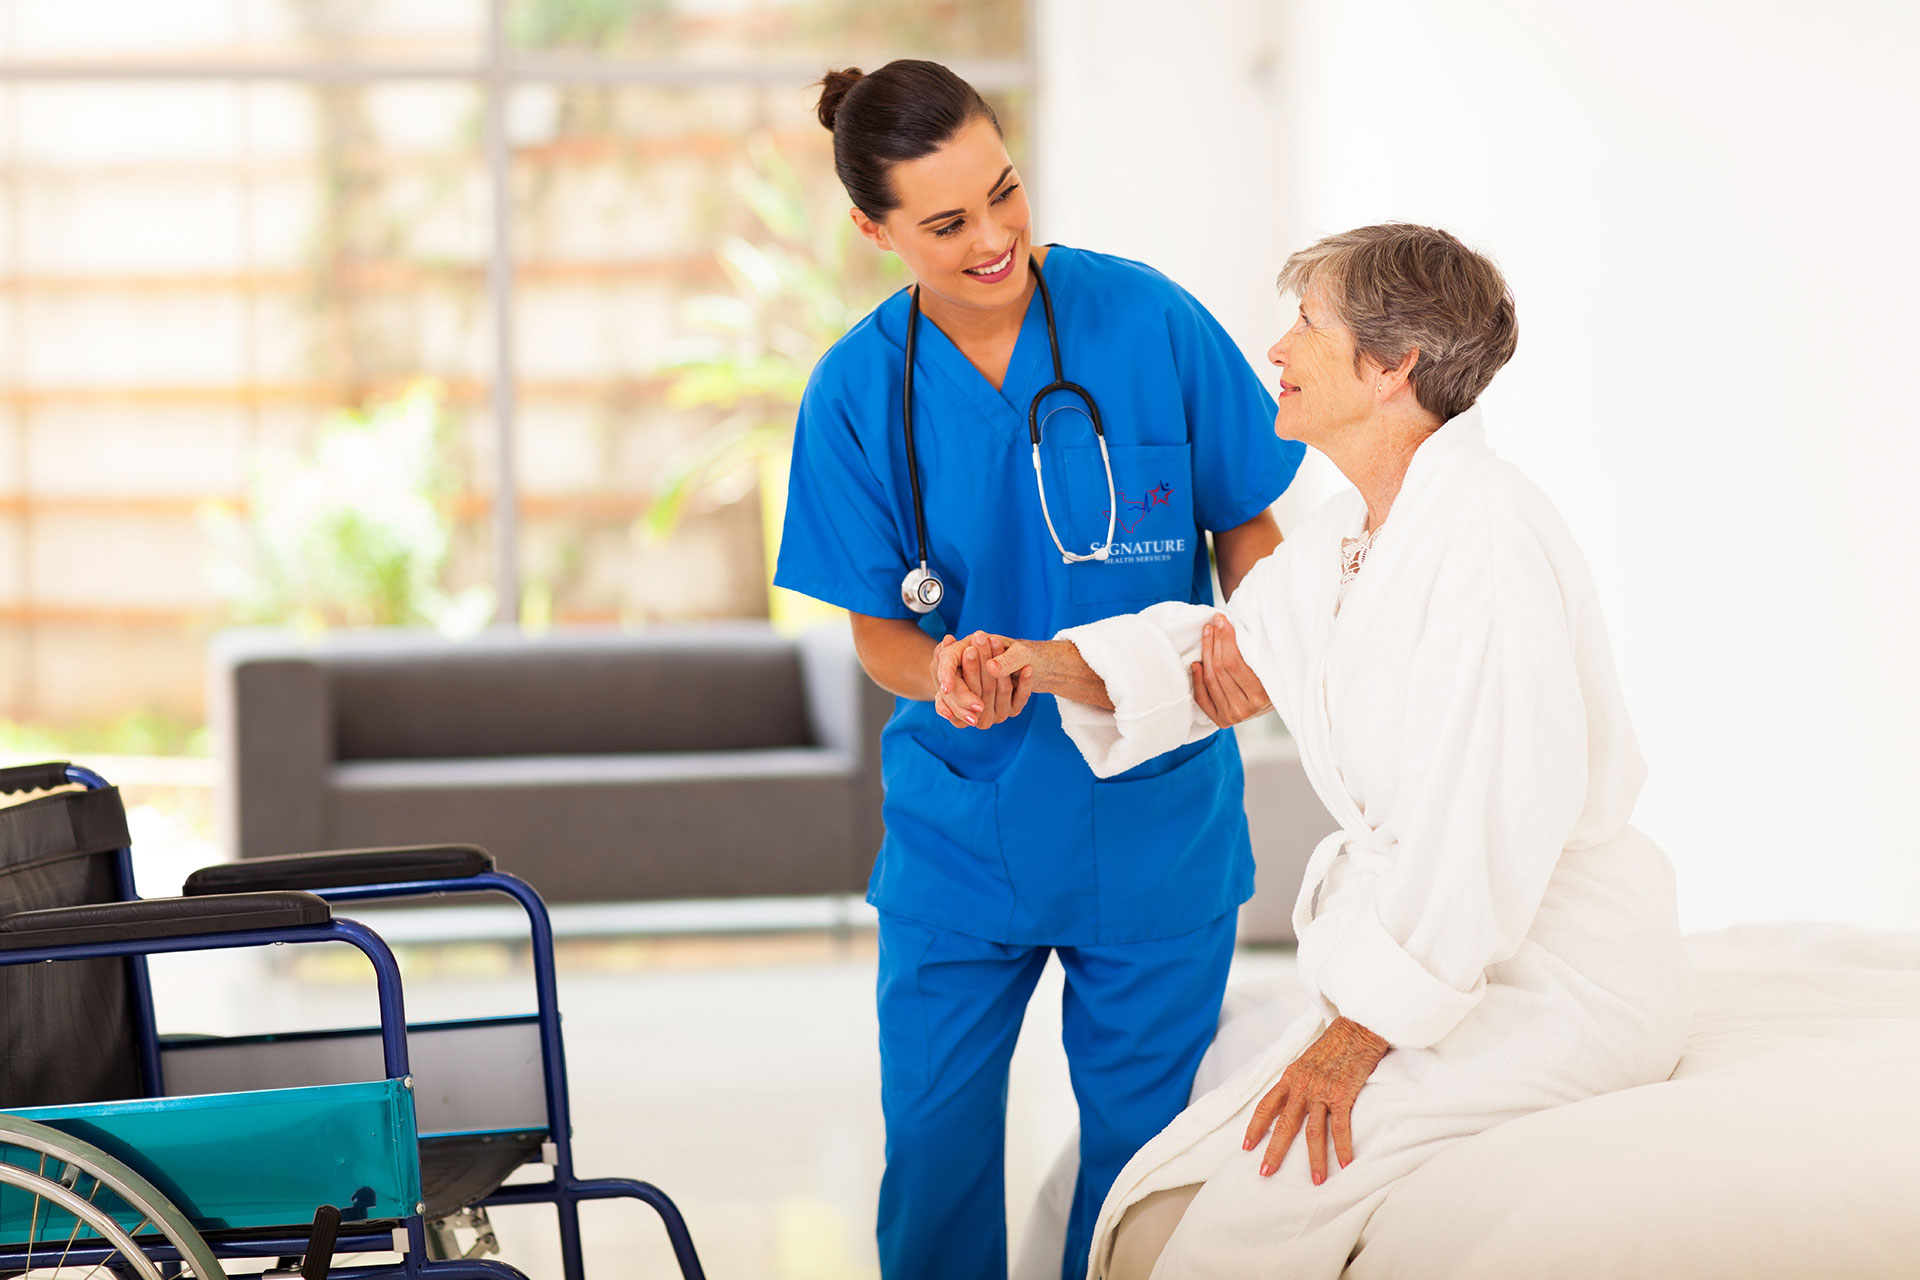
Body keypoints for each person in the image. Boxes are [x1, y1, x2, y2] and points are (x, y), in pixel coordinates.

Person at [970, 224, 1692, 1278]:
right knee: (1185, 1147)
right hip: (1438, 951)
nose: (1277, 349)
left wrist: (1357, 1038)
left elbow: (1481, 830)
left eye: (1307, 324)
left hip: (1547, 968)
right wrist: (1036, 664)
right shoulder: (1359, 531)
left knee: (1261, 1195)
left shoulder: (1482, 541)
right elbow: (1220, 653)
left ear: (1392, 366)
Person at [772, 59, 1306, 1280]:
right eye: (947, 224)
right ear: (874, 228)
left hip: (1155, 819)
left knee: (1143, 1167)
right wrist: (939, 669)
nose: (996, 237)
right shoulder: (859, 393)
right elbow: (878, 632)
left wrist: (1258, 640)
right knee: (938, 1153)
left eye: (1005, 193)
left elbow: (1252, 526)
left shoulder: (1148, 320)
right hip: (966, 825)